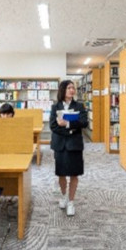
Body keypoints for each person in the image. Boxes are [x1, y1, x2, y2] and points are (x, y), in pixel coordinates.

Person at [50, 80, 88, 216]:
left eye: (73, 88)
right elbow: (53, 126)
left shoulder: (79, 106)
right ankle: (64, 196)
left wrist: (67, 124)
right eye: (69, 88)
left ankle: (71, 202)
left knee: (74, 173)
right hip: (60, 144)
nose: (72, 90)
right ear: (63, 90)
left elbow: (84, 122)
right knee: (61, 173)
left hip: (74, 145)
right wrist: (70, 129)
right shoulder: (55, 107)